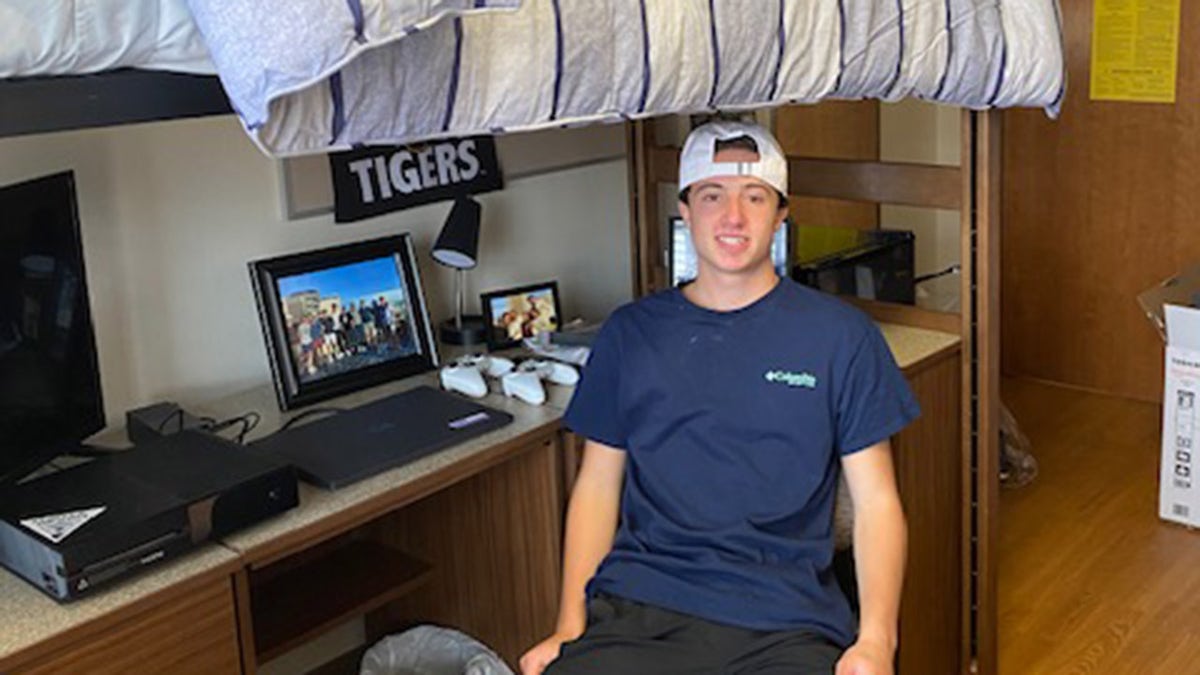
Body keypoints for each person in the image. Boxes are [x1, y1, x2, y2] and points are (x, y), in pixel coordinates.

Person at [520, 120, 919, 675]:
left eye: (754, 197)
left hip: (785, 621)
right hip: (641, 609)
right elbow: (596, 485)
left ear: (781, 214)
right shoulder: (630, 333)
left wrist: (877, 641)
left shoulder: (841, 337)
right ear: (685, 210)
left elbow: (876, 503)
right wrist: (569, 626)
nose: (733, 217)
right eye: (713, 196)